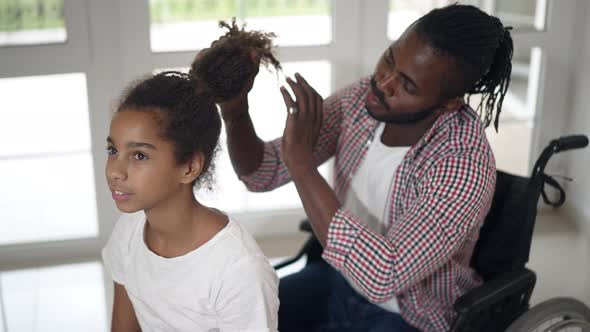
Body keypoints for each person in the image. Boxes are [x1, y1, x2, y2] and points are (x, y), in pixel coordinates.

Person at [206, 3, 513, 332]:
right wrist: (235, 110)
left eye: (408, 86)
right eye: (390, 59)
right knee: (235, 321)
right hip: (337, 278)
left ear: (449, 103)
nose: (384, 83)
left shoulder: (462, 166)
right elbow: (261, 174)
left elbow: (383, 276)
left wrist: (302, 165)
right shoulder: (359, 102)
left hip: (408, 314)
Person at [102, 71, 279, 332]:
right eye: (113, 151)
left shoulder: (239, 271)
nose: (115, 171)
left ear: (189, 167)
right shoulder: (129, 231)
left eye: (139, 155)